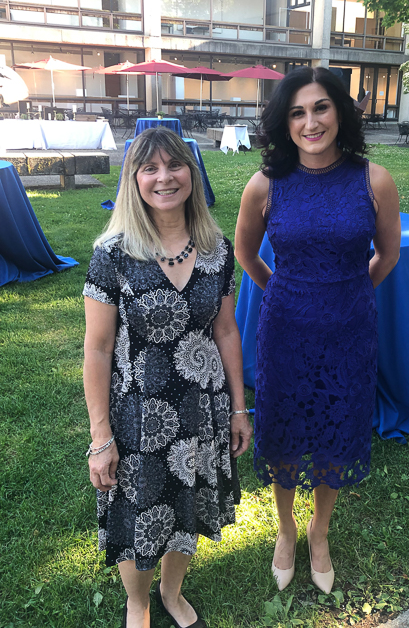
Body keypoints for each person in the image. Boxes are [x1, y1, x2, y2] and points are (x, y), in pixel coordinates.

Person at [235, 67, 400, 594]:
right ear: (284, 123)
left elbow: (388, 255)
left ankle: (319, 531)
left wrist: (350, 291)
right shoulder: (265, 184)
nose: (311, 122)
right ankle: (286, 529)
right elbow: (245, 254)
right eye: (297, 112)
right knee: (283, 431)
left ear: (340, 112)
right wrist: (286, 289)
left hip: (351, 331)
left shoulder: (374, 180)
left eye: (321, 108)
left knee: (338, 429)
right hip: (285, 329)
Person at [83, 128, 252, 628]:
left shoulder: (217, 249)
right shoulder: (113, 254)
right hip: (138, 416)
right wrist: (100, 435)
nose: (164, 178)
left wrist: (238, 408)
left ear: (191, 173)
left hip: (202, 409)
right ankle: (137, 603)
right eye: (150, 168)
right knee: (136, 514)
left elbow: (226, 331)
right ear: (134, 180)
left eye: (175, 165)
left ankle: (171, 593)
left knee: (189, 506)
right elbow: (98, 348)